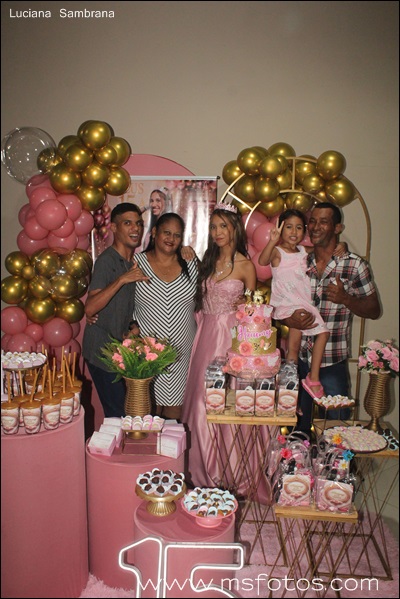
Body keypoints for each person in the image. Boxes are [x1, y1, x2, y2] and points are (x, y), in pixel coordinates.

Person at [181, 203, 271, 498]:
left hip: (232, 339)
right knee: (200, 401)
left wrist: (247, 309)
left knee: (228, 401)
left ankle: (231, 472)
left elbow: (254, 314)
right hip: (205, 336)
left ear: (234, 229)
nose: (217, 232)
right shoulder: (207, 261)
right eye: (213, 227)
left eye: (223, 226)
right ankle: (200, 472)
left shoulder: (246, 266)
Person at [281, 202, 381, 435]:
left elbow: (374, 310)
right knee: (296, 429)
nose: (315, 227)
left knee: (337, 432)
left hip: (332, 363)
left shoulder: (354, 265)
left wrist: (346, 298)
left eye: (323, 222)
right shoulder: (299, 262)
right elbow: (280, 305)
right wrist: (290, 320)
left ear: (337, 228)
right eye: (312, 221)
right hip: (299, 362)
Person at [258, 209, 346, 399]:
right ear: (280, 229)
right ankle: (305, 381)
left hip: (302, 303)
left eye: (299, 228)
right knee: (315, 337)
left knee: (300, 344)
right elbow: (262, 260)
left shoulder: (303, 251)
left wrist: (342, 245)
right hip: (287, 303)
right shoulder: (277, 252)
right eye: (289, 227)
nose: (294, 232)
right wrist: (272, 240)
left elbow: (323, 249)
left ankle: (294, 387)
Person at [82, 203, 149, 418]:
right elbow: (90, 307)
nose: (135, 228)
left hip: (116, 349)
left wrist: (132, 326)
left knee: (123, 412)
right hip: (101, 349)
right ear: (114, 228)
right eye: (127, 223)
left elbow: (121, 307)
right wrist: (122, 280)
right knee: (119, 415)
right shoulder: (107, 261)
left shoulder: (131, 263)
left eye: (138, 223)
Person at [132, 212, 198, 420]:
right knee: (147, 413)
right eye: (166, 233)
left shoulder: (191, 263)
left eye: (177, 235)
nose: (171, 239)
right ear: (154, 232)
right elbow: (122, 304)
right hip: (147, 350)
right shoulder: (136, 263)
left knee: (175, 414)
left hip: (182, 351)